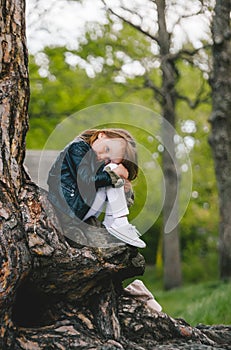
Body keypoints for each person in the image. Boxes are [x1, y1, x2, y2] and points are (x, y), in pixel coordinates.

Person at [47, 128, 146, 248]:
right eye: (107, 149)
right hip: (68, 208)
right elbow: (86, 180)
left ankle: (115, 222)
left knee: (112, 170)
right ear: (102, 135)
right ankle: (118, 222)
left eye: (108, 158)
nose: (103, 157)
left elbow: (105, 189)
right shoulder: (78, 148)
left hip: (80, 207)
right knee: (112, 169)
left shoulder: (97, 159)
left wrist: (125, 188)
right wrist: (115, 174)